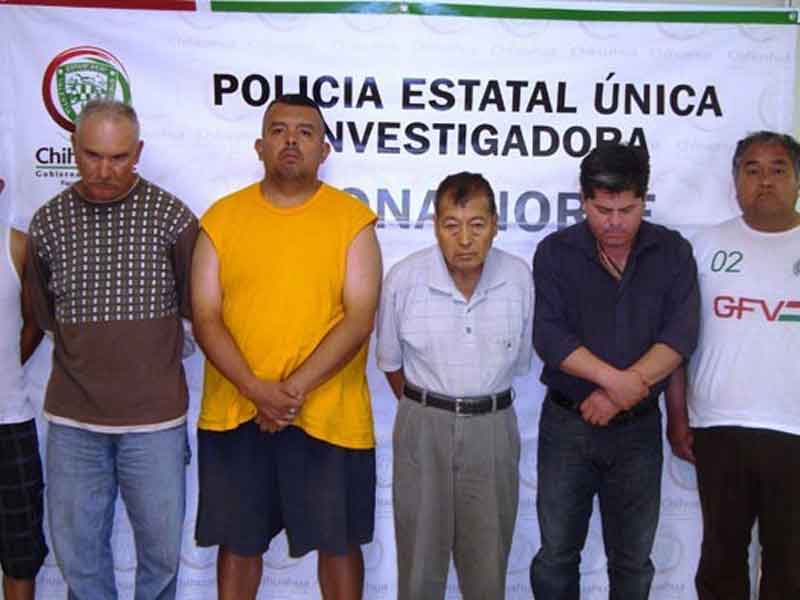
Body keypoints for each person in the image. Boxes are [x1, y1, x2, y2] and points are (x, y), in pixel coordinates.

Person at [192, 93, 382, 600]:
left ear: (324, 149)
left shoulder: (353, 221)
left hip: (330, 414)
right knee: (238, 545)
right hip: (237, 412)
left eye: (305, 132)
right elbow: (205, 317)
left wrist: (289, 392)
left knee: (338, 545)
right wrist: (256, 390)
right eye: (278, 130)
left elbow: (359, 318)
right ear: (259, 146)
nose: (291, 140)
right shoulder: (221, 219)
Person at [25, 100, 197, 600]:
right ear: (73, 149)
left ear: (138, 152)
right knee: (79, 559)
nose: (104, 170)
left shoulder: (172, 218)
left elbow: (195, 311)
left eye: (119, 157)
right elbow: (46, 316)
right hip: (73, 423)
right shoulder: (48, 223)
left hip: (155, 423)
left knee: (162, 556)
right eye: (93, 155)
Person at [529, 142, 699, 600]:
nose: (615, 223)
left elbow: (680, 335)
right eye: (603, 210)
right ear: (584, 200)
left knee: (633, 562)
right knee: (556, 555)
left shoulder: (672, 251)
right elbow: (550, 337)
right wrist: (617, 382)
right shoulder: (556, 253)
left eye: (628, 210)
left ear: (644, 199)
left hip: (638, 431)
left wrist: (621, 394)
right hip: (567, 426)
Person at [375, 172, 533, 599]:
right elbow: (390, 362)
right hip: (423, 426)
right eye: (452, 225)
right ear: (435, 226)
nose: (465, 239)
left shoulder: (519, 278)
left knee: (487, 569)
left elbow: (520, 362)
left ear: (495, 225)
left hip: (492, 428)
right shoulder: (404, 279)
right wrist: (431, 407)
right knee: (419, 568)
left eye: (477, 225)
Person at [666, 131, 800, 600]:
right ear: (735, 180)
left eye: (778, 169)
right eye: (752, 169)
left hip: (794, 429)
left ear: (797, 180)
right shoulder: (703, 246)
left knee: (791, 565)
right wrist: (678, 415)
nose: (765, 181)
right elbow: (677, 342)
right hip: (719, 427)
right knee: (721, 560)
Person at [0, 178, 47, 600]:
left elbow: (34, 323)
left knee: (21, 555)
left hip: (9, 420)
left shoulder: (16, 245)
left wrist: (8, 368)